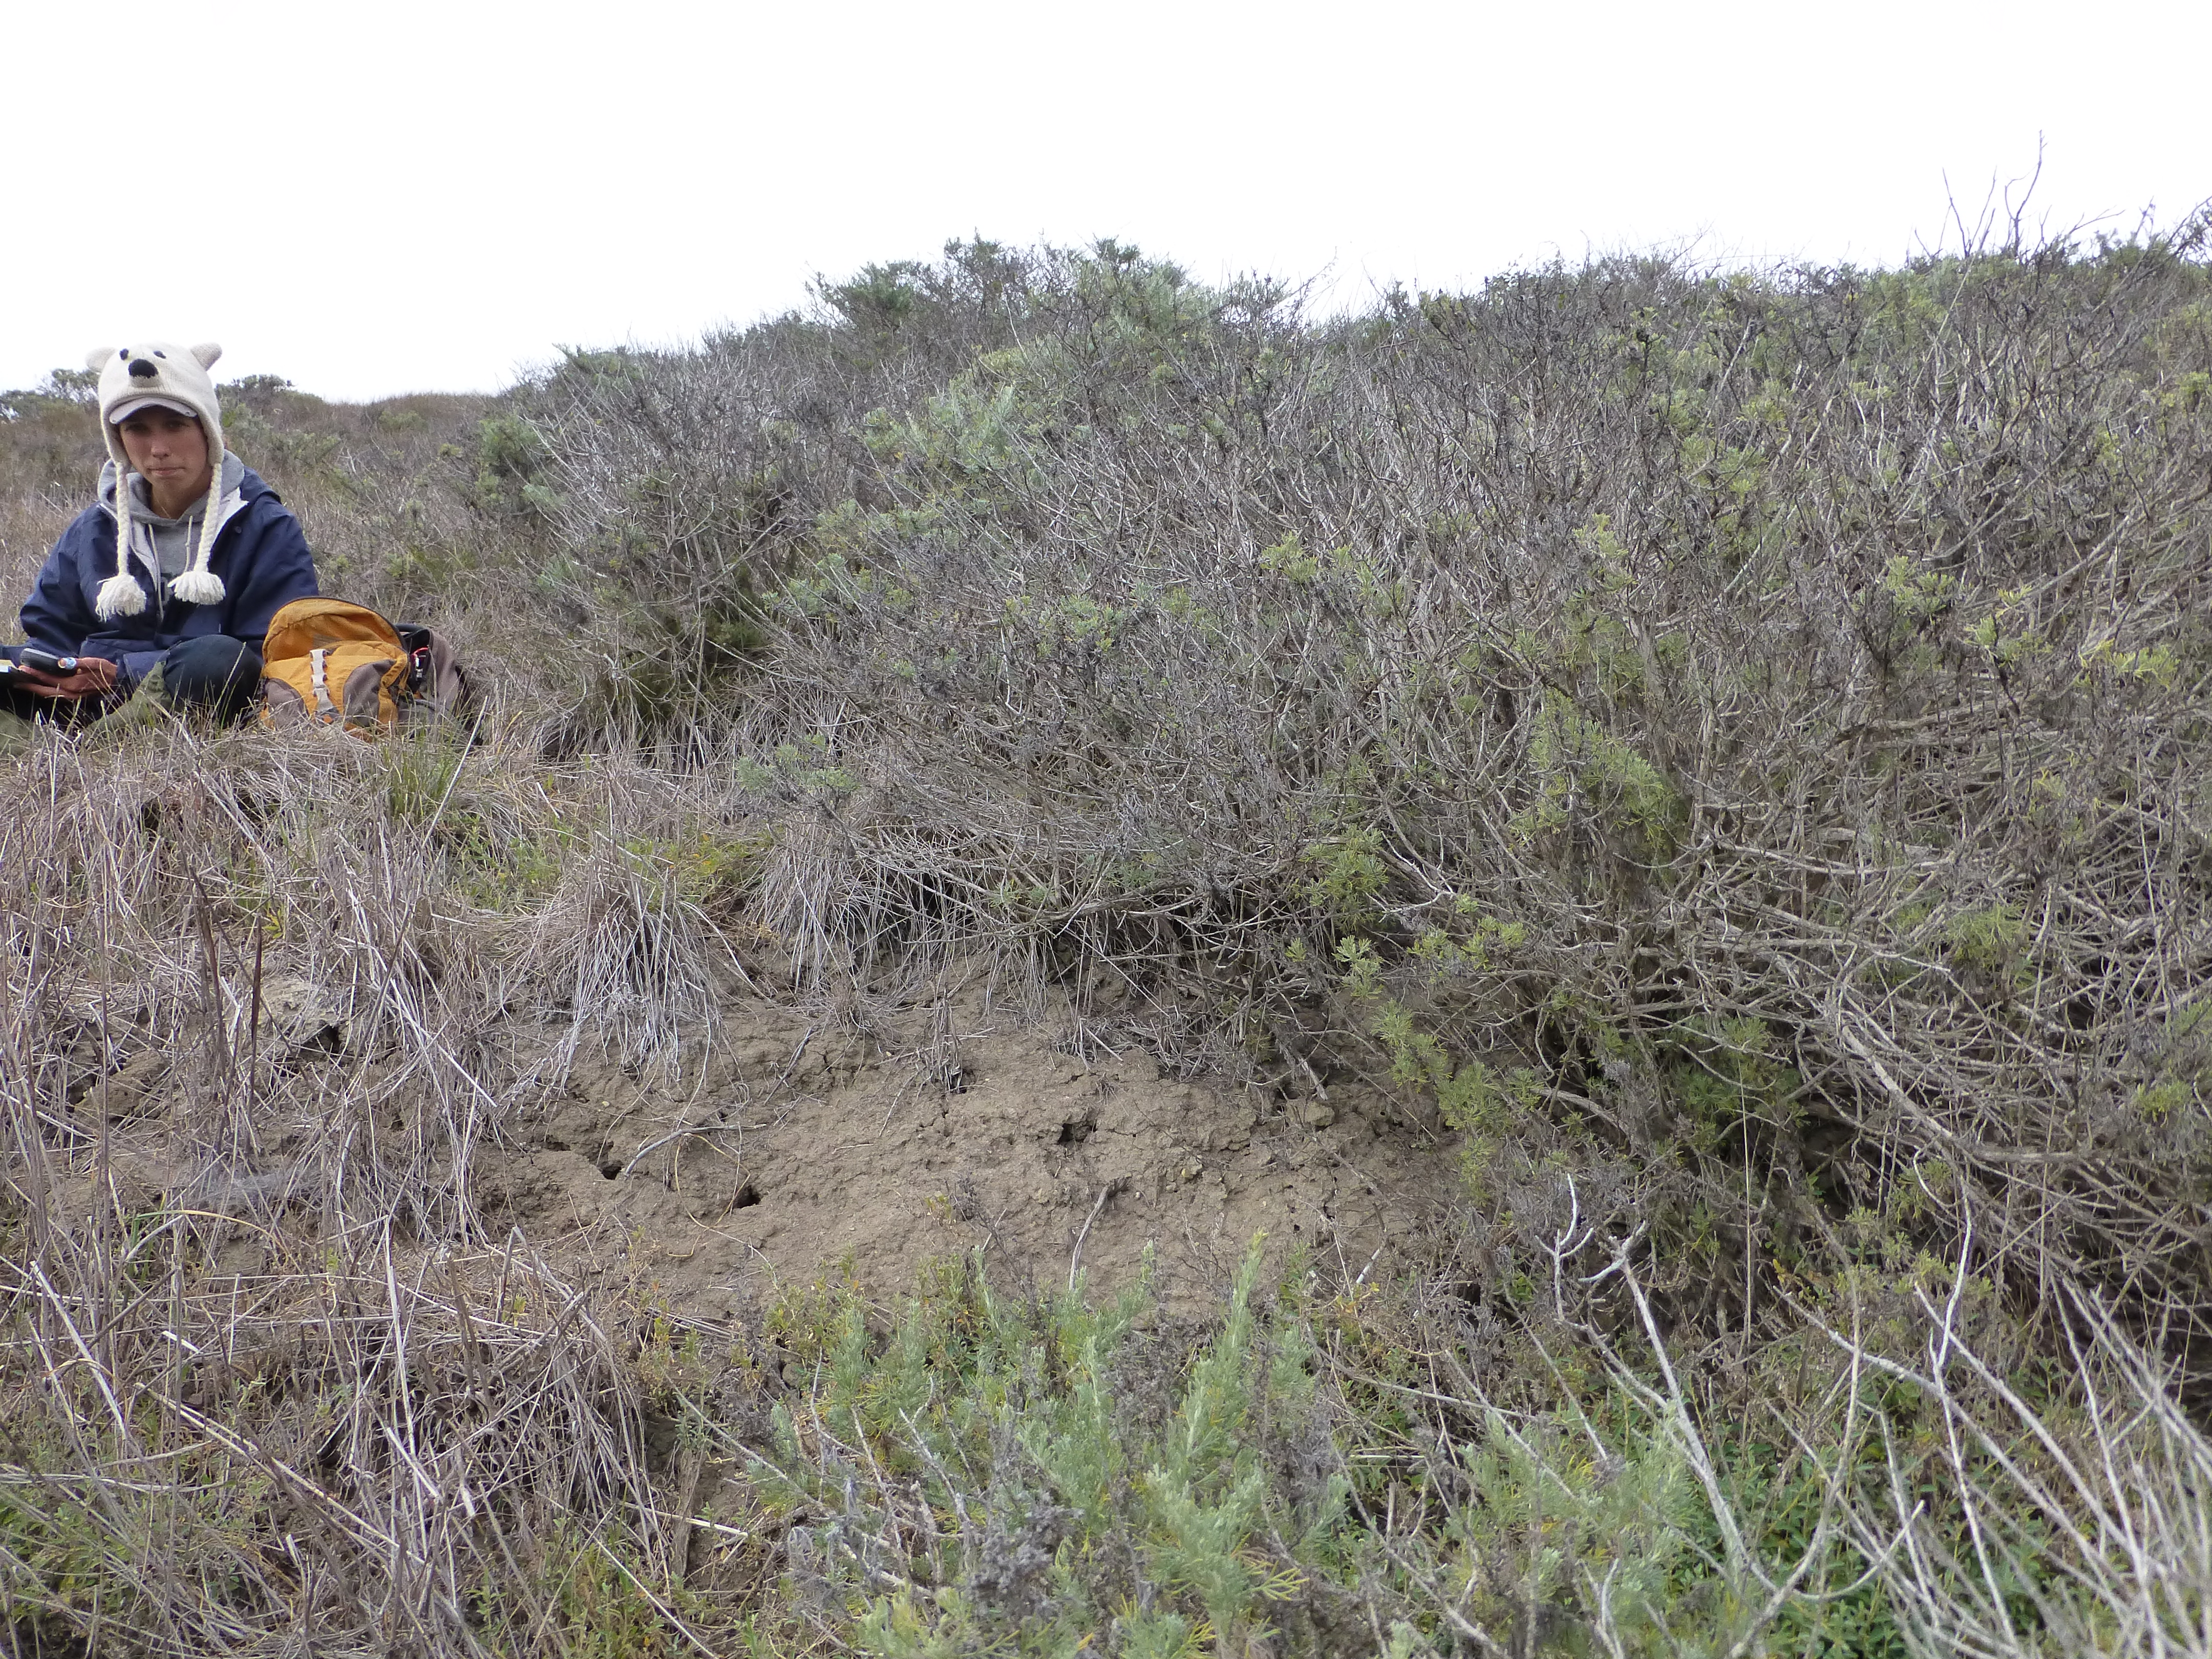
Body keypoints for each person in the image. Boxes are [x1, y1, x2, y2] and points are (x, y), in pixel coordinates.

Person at [2, 341, 318, 740]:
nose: (158, 450)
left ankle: (97, 743)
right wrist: (53, 667)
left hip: (191, 688)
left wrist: (125, 674)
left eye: (175, 424)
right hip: (85, 691)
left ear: (208, 430)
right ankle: (70, 733)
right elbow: (51, 626)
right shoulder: (95, 525)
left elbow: (274, 648)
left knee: (219, 659)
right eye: (137, 429)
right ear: (118, 439)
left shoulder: (264, 524)